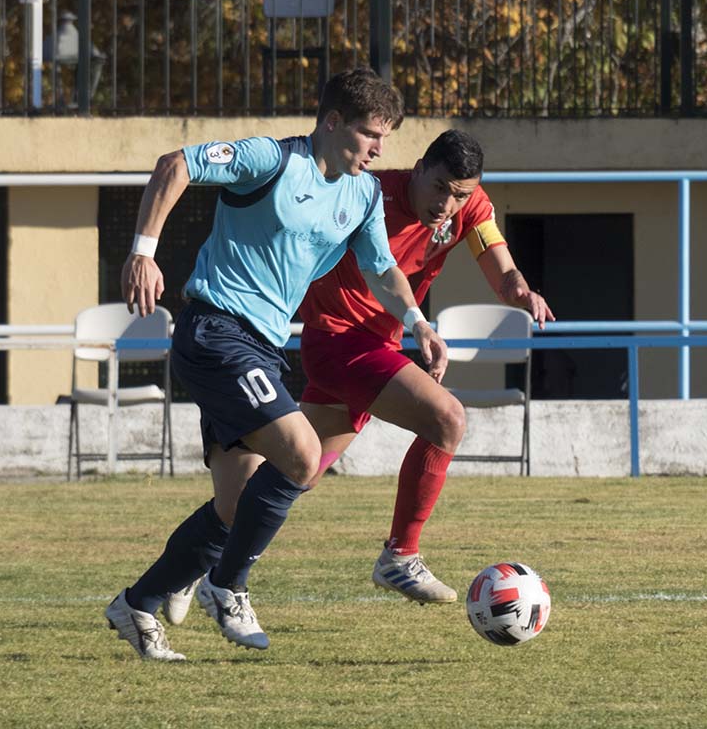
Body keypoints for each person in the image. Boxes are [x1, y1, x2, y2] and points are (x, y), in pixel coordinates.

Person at [104, 67, 449, 659]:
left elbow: (382, 268)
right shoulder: (271, 160)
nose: (378, 149)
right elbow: (174, 165)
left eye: (385, 138)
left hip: (263, 347)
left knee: (235, 506)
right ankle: (227, 588)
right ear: (332, 122)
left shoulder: (363, 195)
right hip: (215, 329)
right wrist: (143, 253)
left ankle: (137, 603)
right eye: (370, 134)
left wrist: (418, 322)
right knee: (304, 456)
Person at [296, 129, 553, 603]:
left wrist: (518, 288)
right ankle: (400, 556)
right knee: (447, 419)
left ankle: (200, 559)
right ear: (418, 170)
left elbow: (500, 266)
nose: (446, 205)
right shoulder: (369, 195)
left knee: (296, 472)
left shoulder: (469, 207)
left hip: (378, 346)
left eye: (459, 195)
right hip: (337, 341)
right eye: (439, 188)